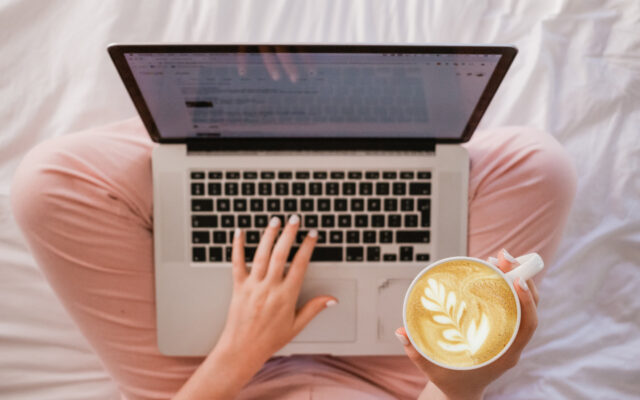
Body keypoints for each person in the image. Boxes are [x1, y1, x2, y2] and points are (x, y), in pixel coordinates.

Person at [10, 117, 576, 399]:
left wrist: (240, 348)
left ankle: (236, 125)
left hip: (210, 378)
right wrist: (458, 385)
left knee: (49, 183)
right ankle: (342, 126)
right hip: (398, 385)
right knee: (537, 167)